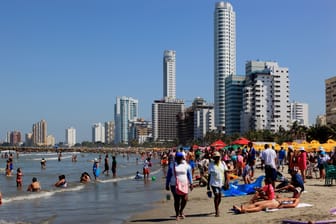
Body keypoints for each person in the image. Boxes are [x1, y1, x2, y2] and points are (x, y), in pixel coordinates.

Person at [166, 152, 193, 221]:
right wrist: (167, 184)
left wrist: (191, 183)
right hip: (174, 185)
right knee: (177, 200)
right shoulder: (172, 165)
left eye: (180, 158)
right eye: (178, 158)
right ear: (176, 158)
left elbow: (189, 174)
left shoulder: (186, 165)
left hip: (184, 185)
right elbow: (168, 175)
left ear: (182, 158)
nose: (179, 159)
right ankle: (177, 214)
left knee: (185, 199)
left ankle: (181, 211)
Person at [207, 151, 229, 217]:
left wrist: (227, 182)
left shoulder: (223, 163)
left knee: (219, 197)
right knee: (216, 195)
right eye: (215, 157)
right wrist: (208, 186)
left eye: (218, 157)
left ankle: (217, 206)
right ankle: (217, 211)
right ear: (213, 158)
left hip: (221, 183)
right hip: (213, 183)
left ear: (219, 157)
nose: (217, 158)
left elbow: (226, 173)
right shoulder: (211, 164)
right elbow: (209, 175)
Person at [233, 197, 300, 213]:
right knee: (256, 203)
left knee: (261, 207)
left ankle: (245, 210)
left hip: (277, 203)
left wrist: (284, 206)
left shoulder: (297, 199)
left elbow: (294, 205)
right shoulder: (291, 197)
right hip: (274, 200)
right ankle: (242, 208)